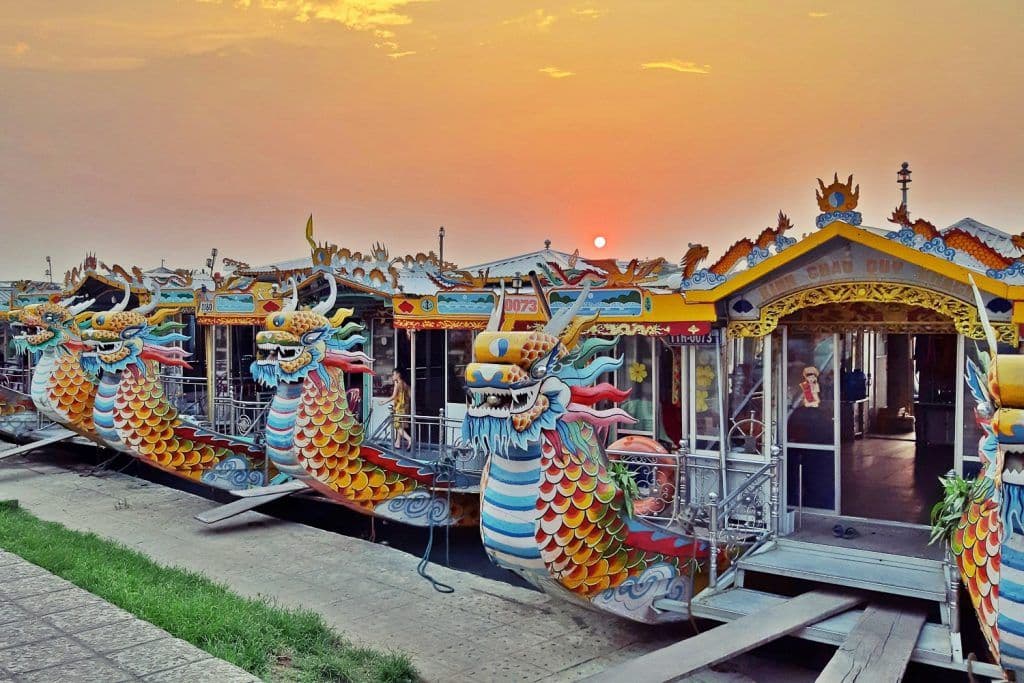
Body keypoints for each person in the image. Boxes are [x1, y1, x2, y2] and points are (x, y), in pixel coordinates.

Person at [381, 369, 413, 450]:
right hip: (405, 408)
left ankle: (410, 439)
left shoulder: (398, 384)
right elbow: (410, 395)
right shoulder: (405, 384)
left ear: (398, 374)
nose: (392, 376)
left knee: (397, 426)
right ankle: (397, 443)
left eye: (393, 374)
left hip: (399, 408)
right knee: (400, 426)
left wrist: (383, 402)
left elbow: (393, 396)